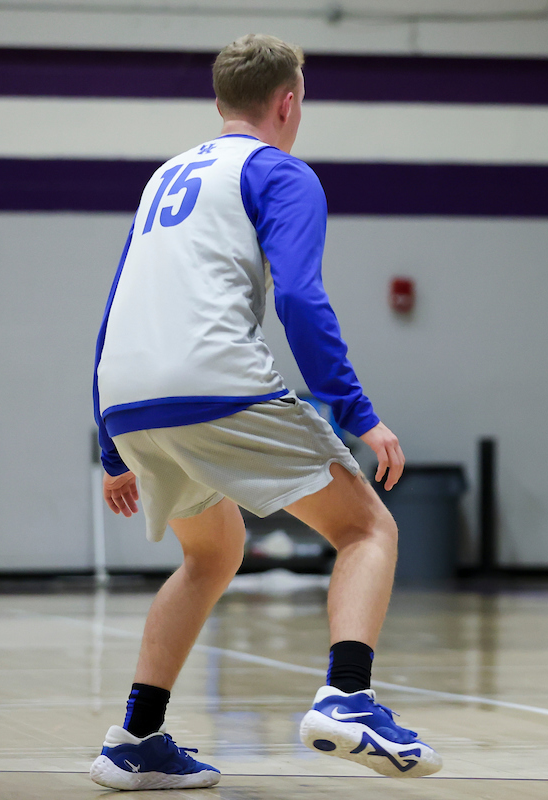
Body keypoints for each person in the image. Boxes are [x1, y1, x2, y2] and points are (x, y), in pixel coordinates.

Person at [90, 35, 441, 790]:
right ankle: (349, 697)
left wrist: (112, 447)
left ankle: (134, 739)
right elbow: (301, 300)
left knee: (211, 553)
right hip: (215, 381)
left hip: (127, 394)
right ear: (288, 102)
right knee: (366, 528)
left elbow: (119, 302)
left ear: (222, 101)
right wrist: (359, 413)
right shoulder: (281, 172)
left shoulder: (165, 177)